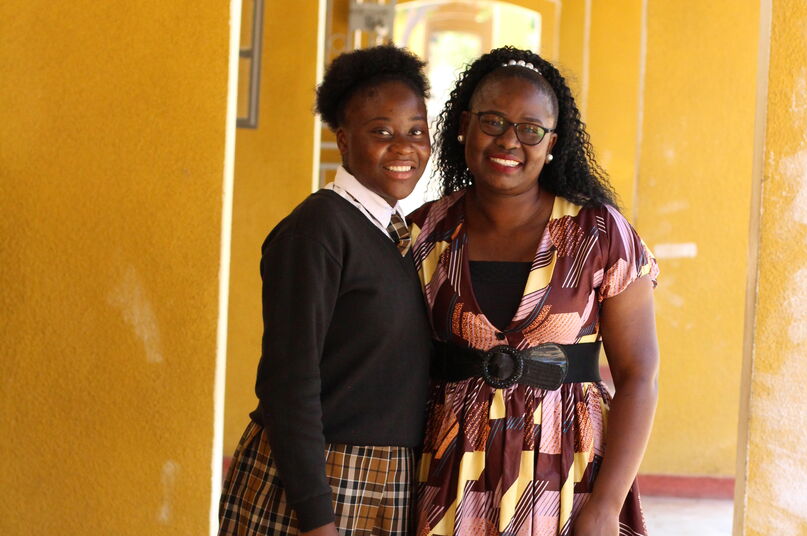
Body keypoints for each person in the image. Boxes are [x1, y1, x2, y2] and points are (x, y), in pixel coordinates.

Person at [408, 47, 659, 536]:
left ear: (551, 144)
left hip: (568, 480)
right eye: (493, 121)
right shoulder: (424, 235)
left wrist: (606, 505)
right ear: (464, 125)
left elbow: (639, 376)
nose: (509, 141)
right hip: (448, 478)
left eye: (530, 129)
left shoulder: (599, 234)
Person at [219, 45, 433, 536]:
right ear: (343, 139)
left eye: (416, 131)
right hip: (319, 484)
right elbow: (288, 383)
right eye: (381, 131)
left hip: (387, 480)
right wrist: (317, 518)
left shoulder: (394, 233)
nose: (404, 146)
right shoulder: (318, 230)